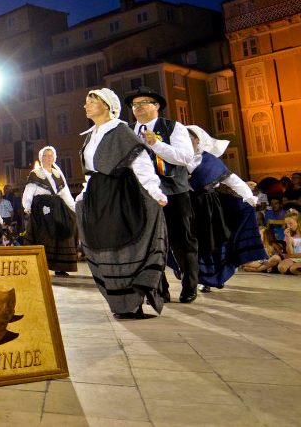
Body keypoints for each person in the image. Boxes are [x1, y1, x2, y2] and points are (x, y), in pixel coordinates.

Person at [77, 89, 168, 320]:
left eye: (91, 101)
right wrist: (82, 196)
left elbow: (140, 161)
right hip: (97, 195)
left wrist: (154, 191)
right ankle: (120, 303)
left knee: (123, 246)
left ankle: (133, 304)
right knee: (103, 248)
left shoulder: (120, 130)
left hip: (120, 193)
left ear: (106, 105)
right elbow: (90, 173)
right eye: (86, 101)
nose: (86, 105)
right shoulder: (90, 135)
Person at [126, 85, 198, 304]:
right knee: (149, 244)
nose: (137, 108)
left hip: (174, 191)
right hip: (142, 194)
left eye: (143, 103)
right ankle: (159, 289)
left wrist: (156, 144)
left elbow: (185, 158)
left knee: (181, 241)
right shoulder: (128, 131)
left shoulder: (173, 127)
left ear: (156, 106)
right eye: (134, 105)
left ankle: (189, 285)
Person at [181, 126, 271, 290]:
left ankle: (214, 276)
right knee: (190, 243)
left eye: (188, 137)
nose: (184, 141)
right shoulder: (175, 158)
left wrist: (250, 197)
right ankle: (196, 279)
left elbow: (232, 180)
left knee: (213, 242)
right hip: (186, 205)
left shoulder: (210, 161)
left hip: (209, 206)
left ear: (197, 140)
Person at [22, 147, 78, 276]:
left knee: (62, 232)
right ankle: (42, 264)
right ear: (41, 158)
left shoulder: (57, 174)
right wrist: (27, 206)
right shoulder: (35, 173)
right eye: (46, 156)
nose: (49, 158)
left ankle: (60, 266)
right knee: (45, 235)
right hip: (42, 207)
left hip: (57, 207)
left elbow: (65, 193)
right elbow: (29, 191)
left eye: (51, 156)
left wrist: (73, 208)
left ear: (54, 158)